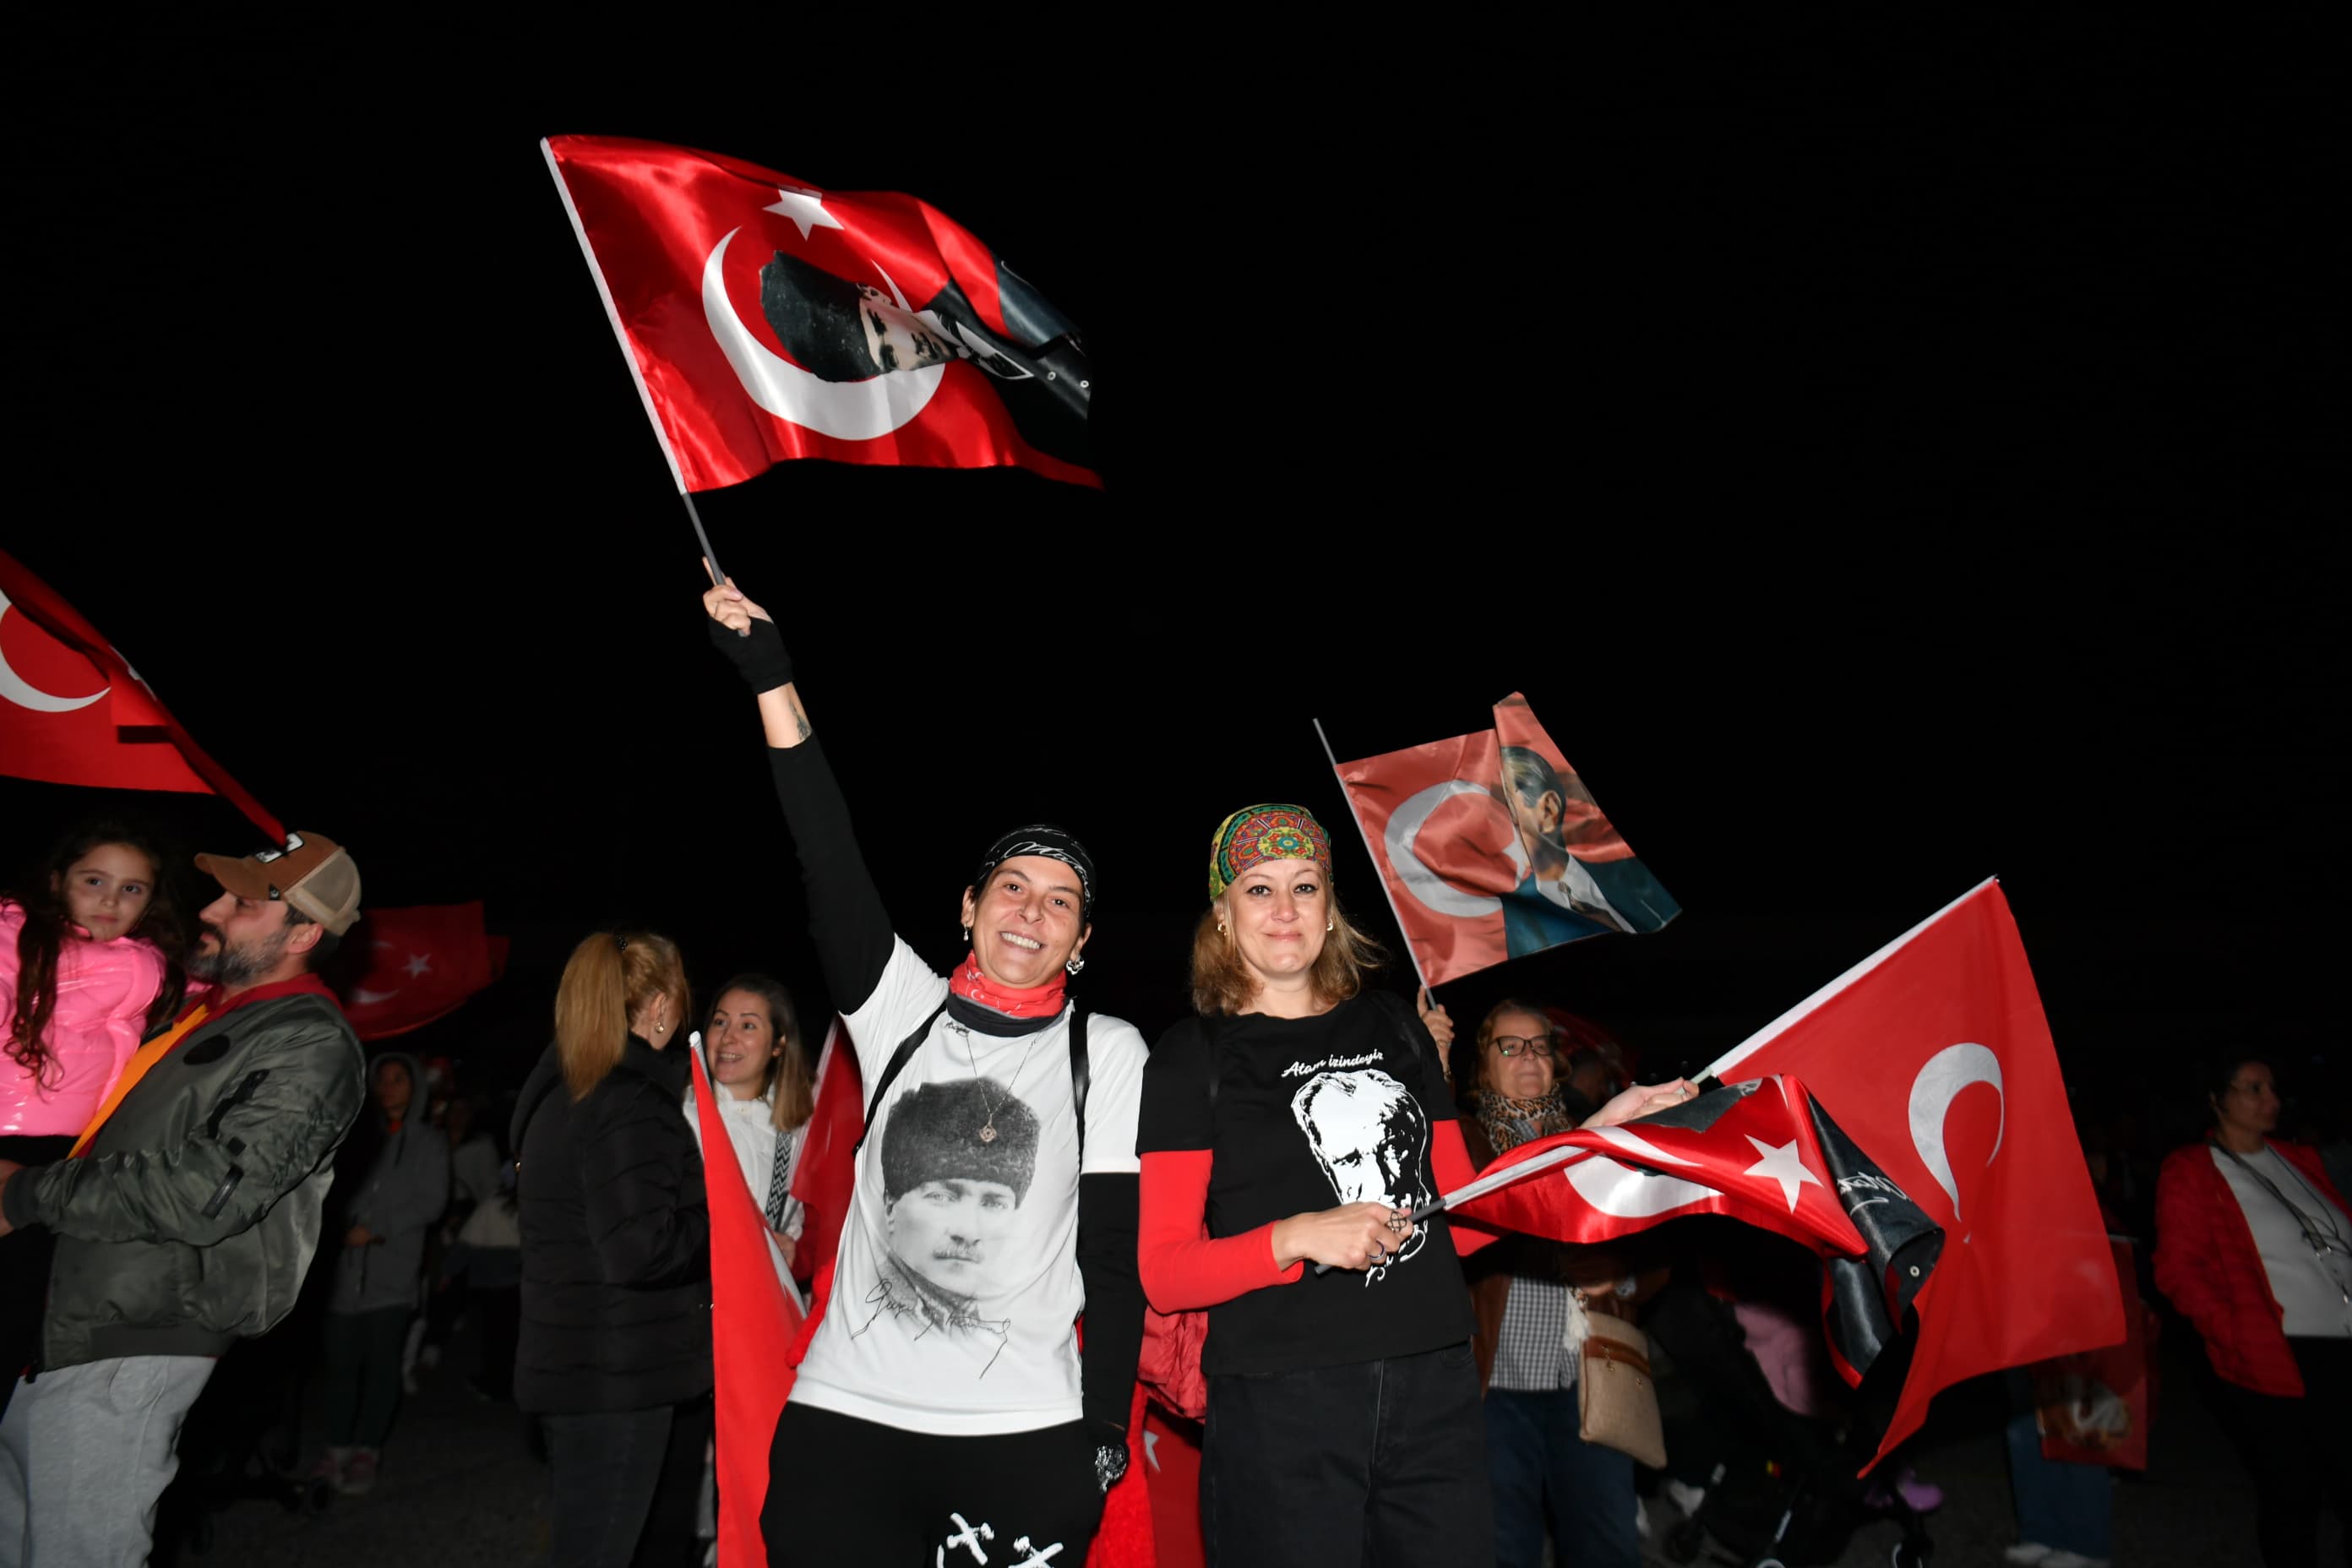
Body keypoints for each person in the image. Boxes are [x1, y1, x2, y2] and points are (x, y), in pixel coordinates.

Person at [701, 576, 1147, 1566]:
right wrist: (772, 677)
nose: (1031, 910)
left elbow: (1113, 1256)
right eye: (1012, 886)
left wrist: (1105, 1424)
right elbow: (827, 854)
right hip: (846, 1421)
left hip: (1022, 1433)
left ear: (1080, 941)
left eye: (1061, 901)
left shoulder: (1106, 1050)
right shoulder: (900, 1006)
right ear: (968, 906)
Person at [1135, 804, 1695, 1567]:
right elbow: (1165, 1273)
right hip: (1280, 1407)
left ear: (1330, 908)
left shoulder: (1394, 1026)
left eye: (1306, 886)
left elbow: (1466, 1220)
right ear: (1224, 914)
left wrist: (1594, 1138)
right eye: (1259, 889)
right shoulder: (1188, 1058)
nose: (1286, 909)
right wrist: (1297, 1236)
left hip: (1435, 1393)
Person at [0, 829, 368, 1565]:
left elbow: (206, 1194)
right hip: (56, 1324)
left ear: (303, 933)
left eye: (242, 904)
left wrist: (24, 1192)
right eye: (220, 894)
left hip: (133, 1335)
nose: (210, 910)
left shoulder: (307, 1040)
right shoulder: (198, 1017)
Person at [513, 931, 712, 1568]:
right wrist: (719, 1223)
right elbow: (640, 1251)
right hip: (616, 1379)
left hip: (577, 1366)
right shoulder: (630, 1103)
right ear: (659, 1006)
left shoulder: (563, 1094)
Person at [1453, 999, 1660, 1568]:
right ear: (1483, 1065)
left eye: (1540, 1046)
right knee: (1504, 1550)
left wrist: (1620, 1278)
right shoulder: (1464, 1143)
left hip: (1589, 1379)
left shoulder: (1600, 1145)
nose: (1528, 1056)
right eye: (1509, 1046)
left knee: (1607, 1546)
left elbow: (1659, 1245)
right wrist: (1429, 1055)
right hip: (1494, 1387)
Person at [0, 817, 186, 1424]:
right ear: (57, 882)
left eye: (131, 889)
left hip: (71, 1153)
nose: (111, 900)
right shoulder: (15, 934)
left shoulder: (150, 964)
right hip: (8, 1139)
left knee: (23, 1314)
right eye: (94, 881)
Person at [2153, 1054, 2352, 1568]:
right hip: (2281, 1351)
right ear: (2216, 1100)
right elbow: (2178, 1269)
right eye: (2254, 1089)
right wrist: (2237, 1333)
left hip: (2343, 1342)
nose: (2272, 1100)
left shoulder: (2301, 1160)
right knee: (2294, 1494)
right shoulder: (2192, 1168)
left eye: (2272, 1088)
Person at [316, 1050, 449, 1494]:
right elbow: (329, 1193)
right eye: (382, 1079)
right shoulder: (353, 1138)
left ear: (415, 1088)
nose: (388, 1087)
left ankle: (366, 1451)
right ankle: (335, 1448)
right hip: (342, 1274)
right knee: (339, 1365)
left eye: (398, 1079)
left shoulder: (429, 1143)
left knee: (381, 1367)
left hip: (393, 1273)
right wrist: (340, 1227)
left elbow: (432, 1201)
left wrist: (376, 1229)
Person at [683, 973, 814, 1272]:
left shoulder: (800, 1132)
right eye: (720, 1022)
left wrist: (795, 1252)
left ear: (778, 1044)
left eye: (748, 1026)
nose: (728, 1037)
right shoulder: (682, 1119)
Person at [1495, 746, 1678, 957]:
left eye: (1506, 807)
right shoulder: (1514, 930)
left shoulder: (1633, 873)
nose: (1494, 829)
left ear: (1548, 810)